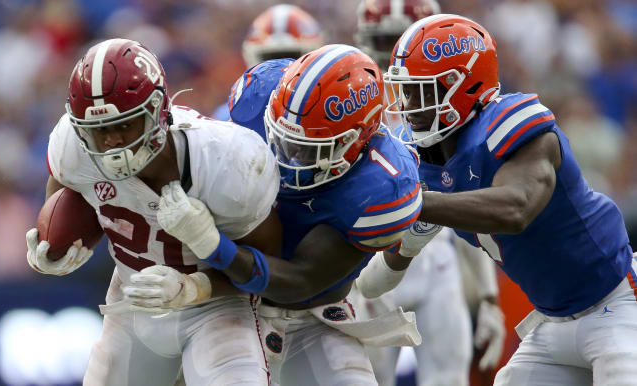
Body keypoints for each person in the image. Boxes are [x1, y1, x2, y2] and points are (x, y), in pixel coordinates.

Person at [129, 44, 425, 385]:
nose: (288, 155)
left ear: (358, 139)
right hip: (223, 306)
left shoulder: (382, 186)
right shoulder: (258, 99)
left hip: (309, 317)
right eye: (281, 136)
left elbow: (300, 281)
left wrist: (209, 244)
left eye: (310, 148)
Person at [369, 13, 637, 386]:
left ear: (459, 86)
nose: (408, 104)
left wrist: (417, 204)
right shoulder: (422, 161)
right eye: (405, 90)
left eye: (420, 90)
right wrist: (392, 240)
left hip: (618, 304)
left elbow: (516, 208)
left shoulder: (512, 124)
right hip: (550, 321)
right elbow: (377, 280)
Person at [25, 38, 282, 385]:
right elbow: (66, 187)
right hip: (133, 309)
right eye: (99, 131)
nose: (113, 141)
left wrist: (196, 287)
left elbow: (269, 263)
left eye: (125, 125)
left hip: (218, 310)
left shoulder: (226, 161)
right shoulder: (73, 146)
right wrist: (60, 244)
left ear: (159, 111)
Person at [354, 2, 506, 385]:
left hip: (435, 260)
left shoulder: (455, 111)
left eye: (400, 38)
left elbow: (463, 204)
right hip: (372, 261)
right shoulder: (351, 100)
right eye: (383, 40)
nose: (390, 50)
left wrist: (489, 296)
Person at [211, 3, 323, 121]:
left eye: (291, 58)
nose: (281, 70)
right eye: (271, 59)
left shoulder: (233, 114)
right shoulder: (229, 115)